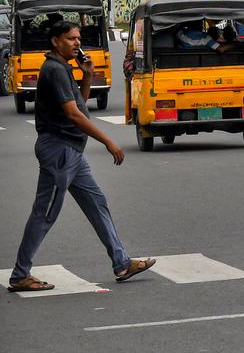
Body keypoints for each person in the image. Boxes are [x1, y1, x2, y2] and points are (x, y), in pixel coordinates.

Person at [8, 21, 154, 292]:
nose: (77, 43)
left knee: (97, 203)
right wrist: (109, 141)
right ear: (55, 41)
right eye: (71, 39)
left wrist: (87, 77)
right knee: (45, 213)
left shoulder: (64, 68)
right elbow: (75, 115)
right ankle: (20, 274)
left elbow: (79, 107)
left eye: (78, 38)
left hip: (72, 151)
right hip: (59, 150)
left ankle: (121, 262)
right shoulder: (53, 69)